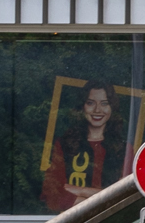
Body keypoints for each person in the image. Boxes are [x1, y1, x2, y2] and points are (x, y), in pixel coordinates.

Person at [43, 81, 129, 211]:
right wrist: (103, 198)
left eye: (104, 103)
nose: (97, 110)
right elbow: (52, 193)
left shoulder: (124, 149)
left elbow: (125, 195)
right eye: (90, 103)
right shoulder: (64, 144)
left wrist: (81, 190)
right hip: (70, 220)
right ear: (82, 106)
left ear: (112, 107)